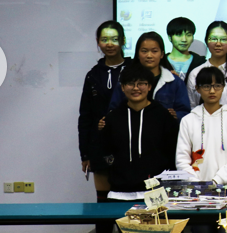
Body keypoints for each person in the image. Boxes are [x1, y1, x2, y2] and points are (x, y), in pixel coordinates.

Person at [99, 62, 179, 195]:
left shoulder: (164, 117)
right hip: (119, 193)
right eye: (130, 84)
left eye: (141, 83)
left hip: (156, 193)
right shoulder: (112, 119)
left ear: (149, 86)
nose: (136, 88)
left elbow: (172, 153)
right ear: (122, 87)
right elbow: (104, 152)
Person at [79, 21, 128, 206]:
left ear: (123, 41)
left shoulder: (134, 69)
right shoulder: (92, 75)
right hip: (99, 144)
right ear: (98, 42)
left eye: (114, 39)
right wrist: (85, 154)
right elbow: (85, 116)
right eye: (104, 39)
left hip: (128, 142)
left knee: (129, 198)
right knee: (103, 202)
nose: (109, 44)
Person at [175, 66, 227, 188]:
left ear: (223, 87)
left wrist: (216, 181)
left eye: (217, 86)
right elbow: (181, 159)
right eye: (206, 86)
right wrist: (196, 183)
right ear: (197, 89)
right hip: (195, 189)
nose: (212, 91)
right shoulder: (188, 120)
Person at [110, 31, 191, 120]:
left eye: (154, 51)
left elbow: (185, 112)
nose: (149, 55)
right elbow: (113, 109)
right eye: (144, 51)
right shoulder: (126, 79)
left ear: (162, 54)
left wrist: (176, 115)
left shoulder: (174, 82)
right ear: (137, 54)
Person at [186, 22, 227, 121]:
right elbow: (193, 108)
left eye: (224, 39)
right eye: (213, 39)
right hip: (203, 127)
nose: (218, 43)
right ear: (206, 41)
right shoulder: (195, 73)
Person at [165, 17, 205, 81]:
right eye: (179, 35)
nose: (184, 39)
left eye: (188, 35)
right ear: (170, 37)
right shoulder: (161, 62)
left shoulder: (201, 63)